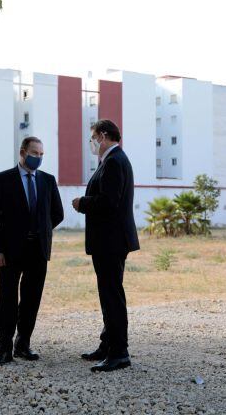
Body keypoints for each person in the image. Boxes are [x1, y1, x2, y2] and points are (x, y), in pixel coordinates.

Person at [0, 136, 64, 367]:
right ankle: (4, 348)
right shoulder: (3, 179)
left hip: (38, 251)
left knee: (31, 299)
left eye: (41, 154)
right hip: (9, 252)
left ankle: (23, 344)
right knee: (8, 298)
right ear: (22, 152)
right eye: (34, 153)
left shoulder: (48, 181)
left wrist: (41, 231)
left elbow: (57, 213)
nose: (38, 158)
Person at [72, 119, 140, 372]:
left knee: (112, 296)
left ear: (102, 136)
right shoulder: (113, 161)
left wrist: (83, 203)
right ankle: (107, 344)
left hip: (111, 241)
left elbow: (109, 202)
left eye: (93, 137)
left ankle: (119, 353)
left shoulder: (113, 162)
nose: (92, 143)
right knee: (108, 294)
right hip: (110, 240)